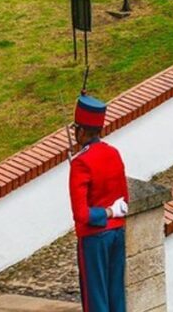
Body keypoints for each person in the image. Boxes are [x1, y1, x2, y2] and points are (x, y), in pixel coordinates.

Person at [70, 93, 129, 312]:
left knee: (96, 300)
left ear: (82, 131)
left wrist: (106, 212)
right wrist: (113, 213)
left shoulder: (81, 163)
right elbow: (125, 199)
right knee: (116, 297)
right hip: (116, 234)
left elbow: (81, 214)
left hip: (93, 238)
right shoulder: (113, 153)